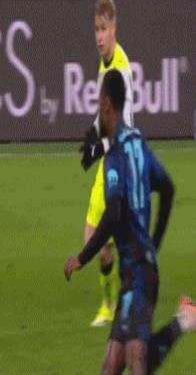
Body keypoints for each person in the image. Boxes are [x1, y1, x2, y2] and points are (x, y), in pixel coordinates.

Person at [65, 69, 196, 374]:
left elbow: (113, 213)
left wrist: (83, 257)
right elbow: (168, 188)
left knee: (137, 361)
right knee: (112, 367)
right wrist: (154, 243)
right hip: (135, 271)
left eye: (99, 101)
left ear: (106, 104)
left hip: (139, 273)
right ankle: (183, 320)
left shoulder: (116, 155)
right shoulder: (138, 143)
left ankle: (183, 321)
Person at [80, 0, 134, 327]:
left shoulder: (121, 73)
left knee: (111, 242)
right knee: (93, 239)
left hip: (123, 162)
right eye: (96, 30)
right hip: (109, 161)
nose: (99, 37)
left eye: (104, 29)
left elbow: (122, 128)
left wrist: (97, 147)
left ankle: (120, 304)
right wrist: (94, 131)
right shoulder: (104, 63)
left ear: (114, 28)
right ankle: (108, 304)